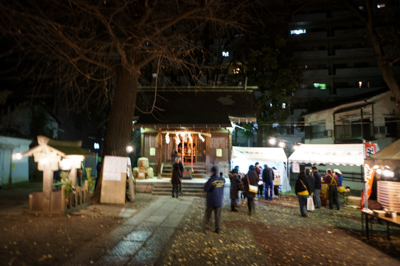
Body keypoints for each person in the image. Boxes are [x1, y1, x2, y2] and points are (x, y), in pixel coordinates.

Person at [204, 166, 225, 234]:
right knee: (218, 216)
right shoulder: (222, 179)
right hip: (219, 200)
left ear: (212, 172)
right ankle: (217, 228)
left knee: (208, 214)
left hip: (211, 200)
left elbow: (206, 189)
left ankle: (206, 225)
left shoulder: (211, 180)